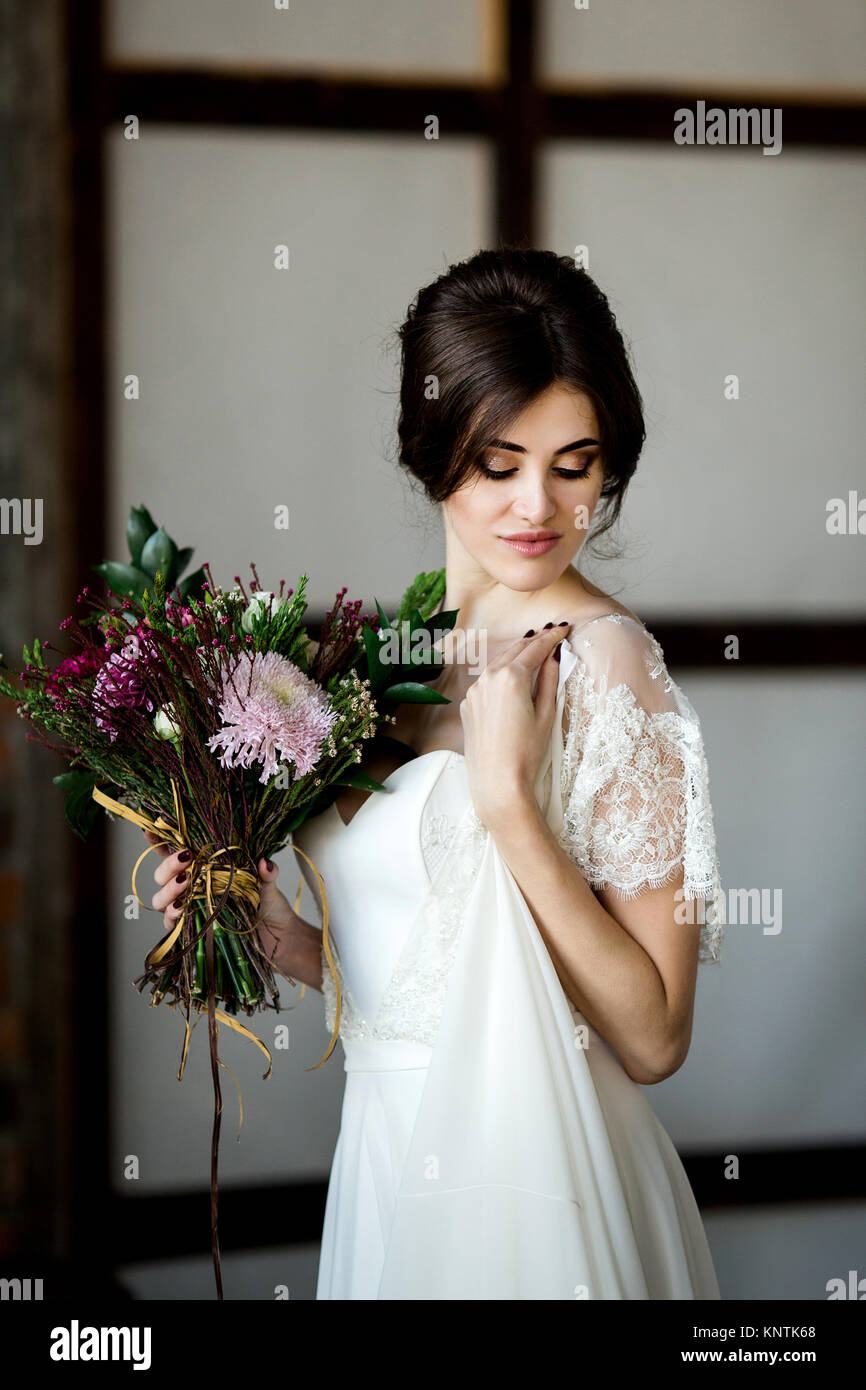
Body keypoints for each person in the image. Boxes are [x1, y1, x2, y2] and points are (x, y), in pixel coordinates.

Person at [148, 247, 725, 1299]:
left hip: (539, 1176)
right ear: (430, 454)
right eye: (497, 463)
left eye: (575, 462)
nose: (537, 507)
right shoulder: (407, 653)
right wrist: (279, 935)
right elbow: (440, 974)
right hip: (388, 1153)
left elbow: (652, 1033)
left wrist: (508, 806)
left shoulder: (606, 659)